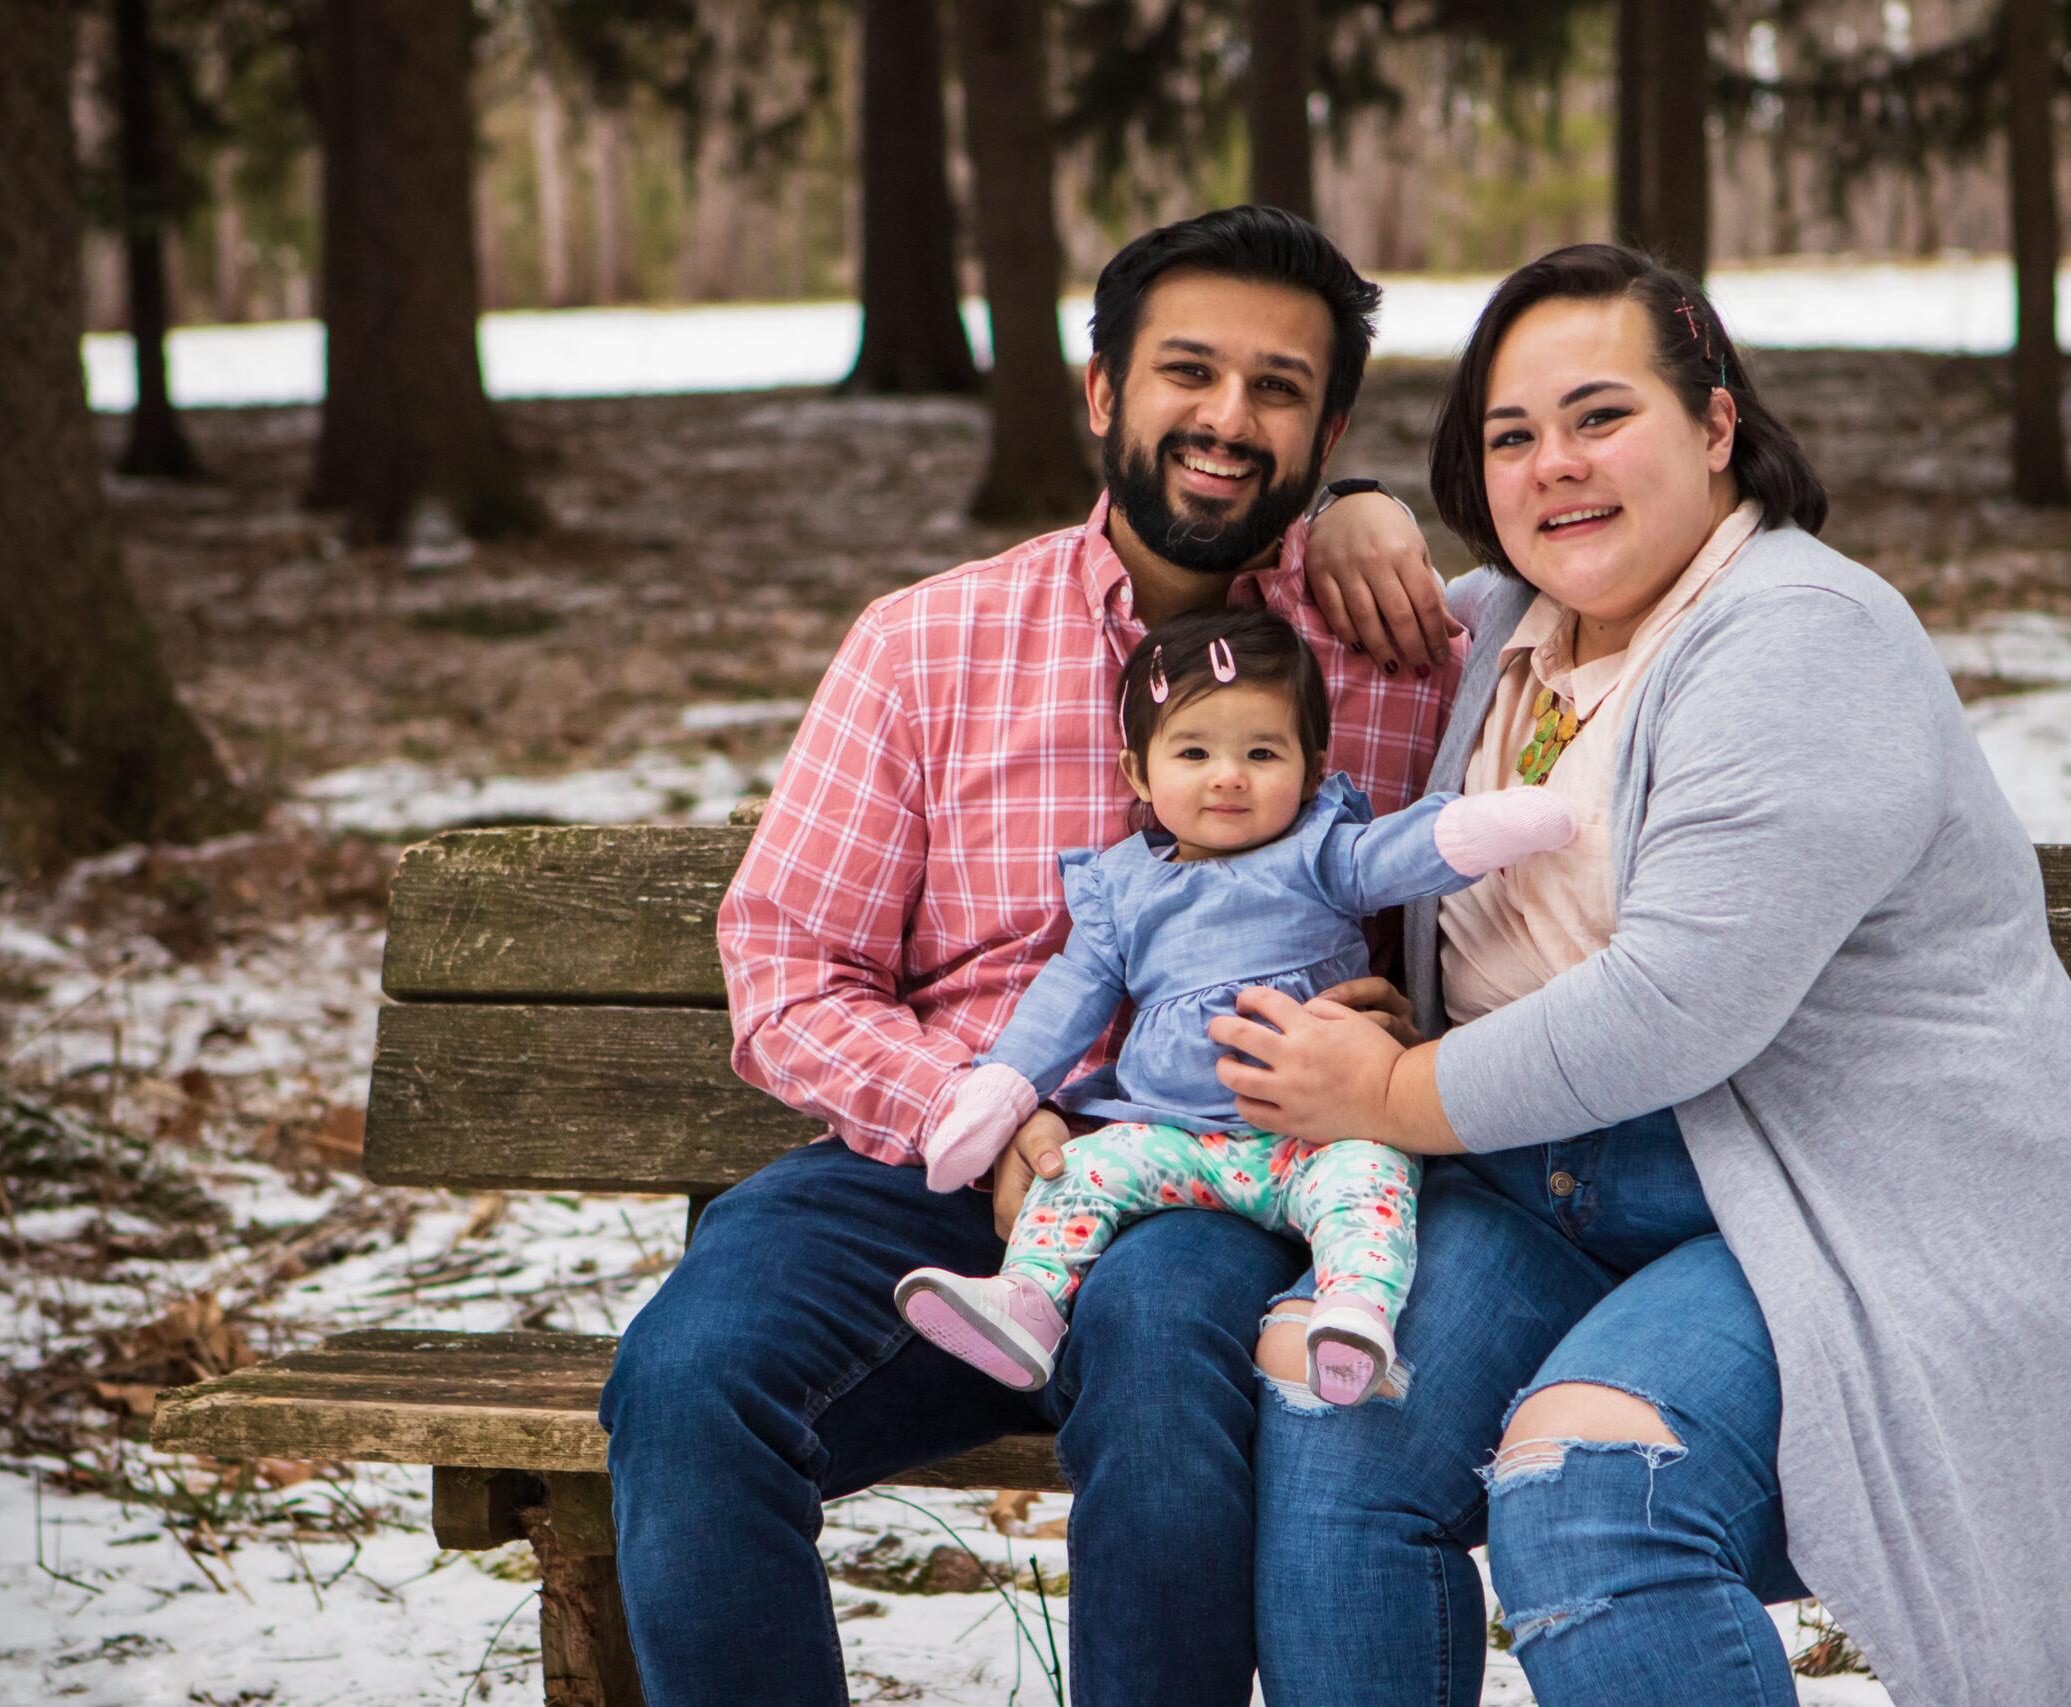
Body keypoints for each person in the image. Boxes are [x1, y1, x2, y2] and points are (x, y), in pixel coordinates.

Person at [1210, 245, 2071, 1707]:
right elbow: (1243, 682)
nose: (1555, 464)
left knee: (1591, 1488)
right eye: (1509, 434)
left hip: (1838, 1208)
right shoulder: (1500, 626)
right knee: (1332, 1413)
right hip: (1540, 1180)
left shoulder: (1799, 637)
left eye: (1600, 414)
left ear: (1716, 425)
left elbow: (1671, 1004)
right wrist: (1349, 504)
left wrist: (1389, 1089)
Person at [597, 205, 1460, 1707]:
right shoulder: (928, 645)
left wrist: (1391, 1050)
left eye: (1281, 389)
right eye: (1188, 371)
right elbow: (789, 964)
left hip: (1221, 1163)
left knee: (1167, 1346)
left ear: (1330, 429)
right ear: (1102, 392)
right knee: (689, 1382)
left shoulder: (1391, 650)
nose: (1228, 419)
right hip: (926, 1155)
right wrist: (974, 1118)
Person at [895, 605, 1574, 1405]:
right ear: (1139, 774)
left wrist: (1486, 826)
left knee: (1373, 1180)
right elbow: (1069, 997)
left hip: (1315, 1134)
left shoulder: (1317, 852)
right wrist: (1003, 1085)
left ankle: (1354, 1315)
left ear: (1313, 767)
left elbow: (1400, 855)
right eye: (1194, 751)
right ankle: (1030, 1302)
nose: (1229, 774)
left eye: (1261, 751)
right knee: (1078, 1170)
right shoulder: (1122, 887)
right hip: (1170, 1135)